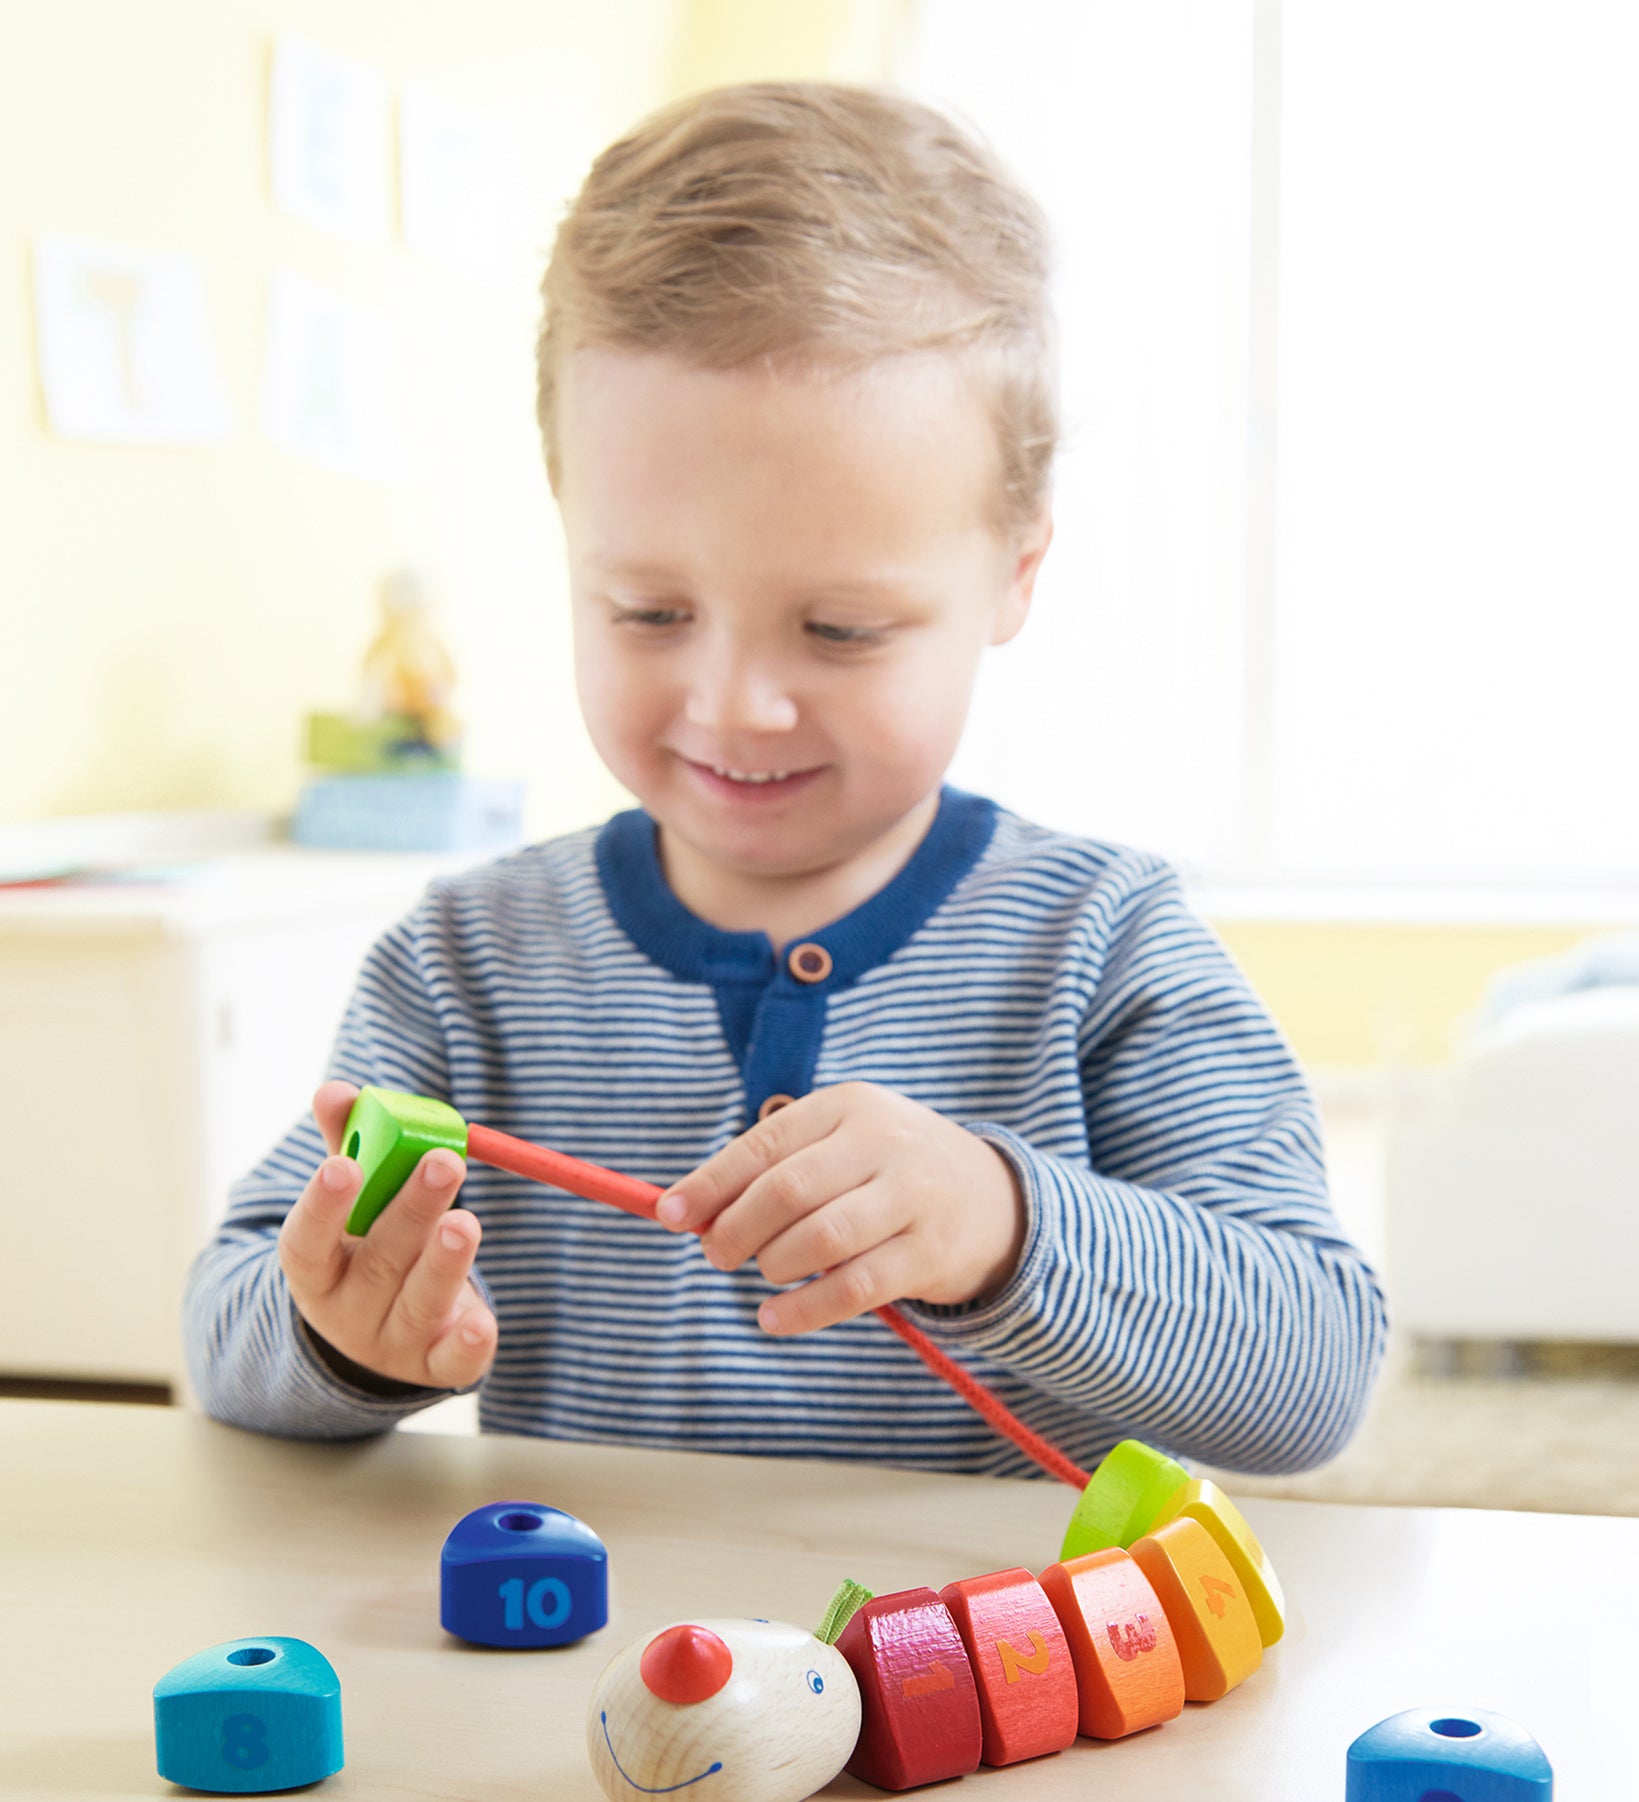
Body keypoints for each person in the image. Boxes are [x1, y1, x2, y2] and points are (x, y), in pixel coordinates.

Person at [185, 81, 1386, 1476]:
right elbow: (228, 1331)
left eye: (839, 628)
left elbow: (1314, 1367)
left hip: (989, 1676)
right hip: (601, 1679)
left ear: (1016, 573)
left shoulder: (1101, 942)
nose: (734, 701)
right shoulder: (464, 967)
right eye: (648, 611)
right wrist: (337, 1333)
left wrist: (1009, 1220)